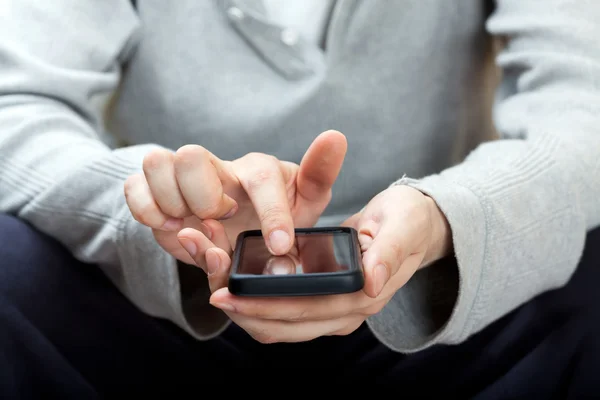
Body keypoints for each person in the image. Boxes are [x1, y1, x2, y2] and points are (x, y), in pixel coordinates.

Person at [1, 0, 599, 397]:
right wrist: (151, 206)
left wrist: (446, 220)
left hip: (440, 296)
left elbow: (583, 114)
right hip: (160, 301)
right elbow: (16, 105)